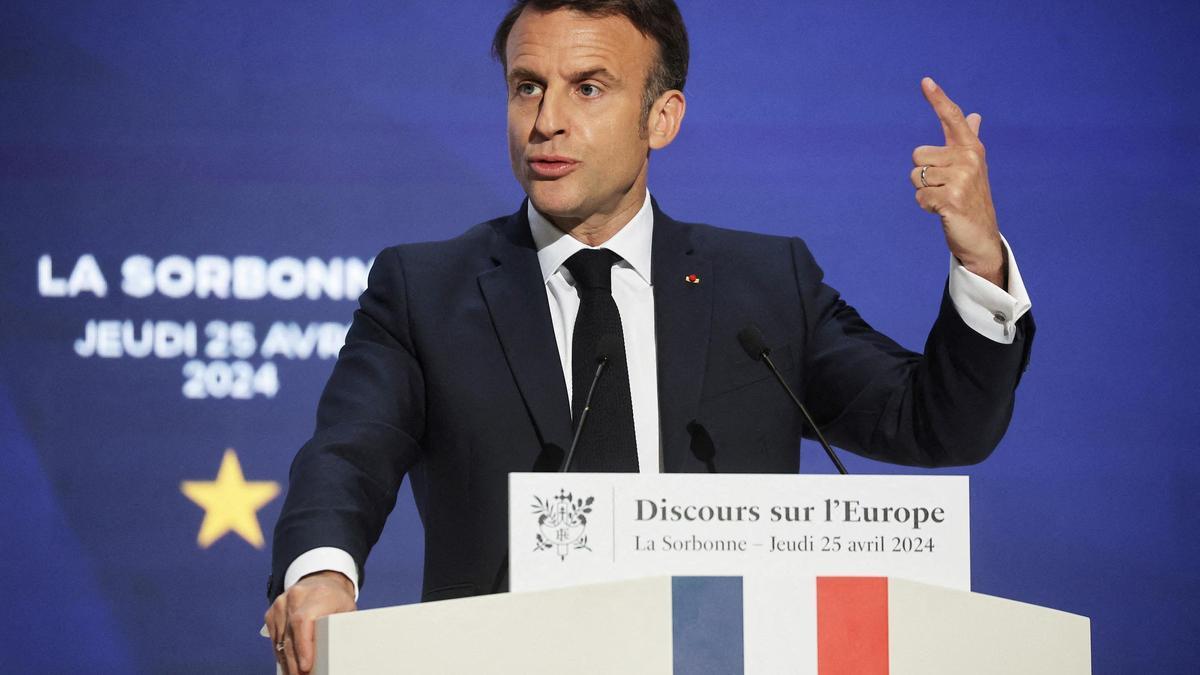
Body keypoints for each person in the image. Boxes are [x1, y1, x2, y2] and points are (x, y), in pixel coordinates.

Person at [264, 1, 1034, 672]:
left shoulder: (764, 285)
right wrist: (320, 573)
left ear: (661, 118)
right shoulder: (424, 290)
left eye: (588, 88)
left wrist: (978, 256)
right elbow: (346, 455)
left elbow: (938, 424)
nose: (546, 121)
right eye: (526, 87)